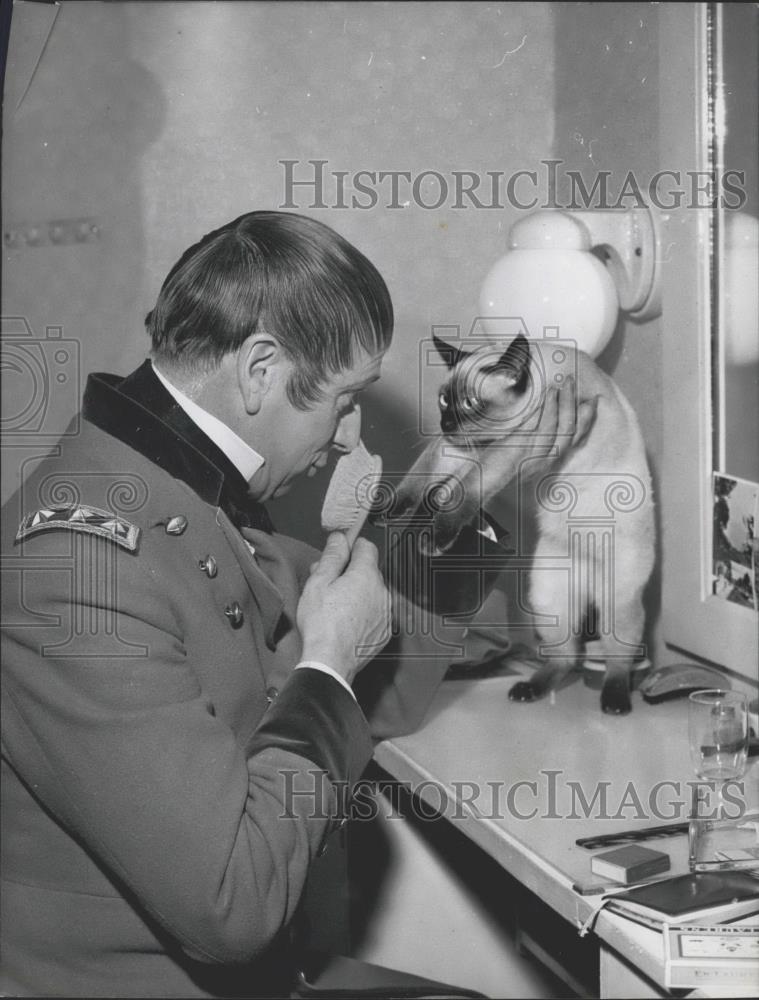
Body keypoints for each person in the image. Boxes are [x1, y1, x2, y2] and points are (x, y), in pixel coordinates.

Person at [0, 210, 593, 997]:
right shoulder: (76, 569)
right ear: (258, 370)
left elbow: (396, 684)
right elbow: (233, 909)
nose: (348, 436)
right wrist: (326, 665)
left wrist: (470, 470)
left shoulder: (172, 486)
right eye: (343, 400)